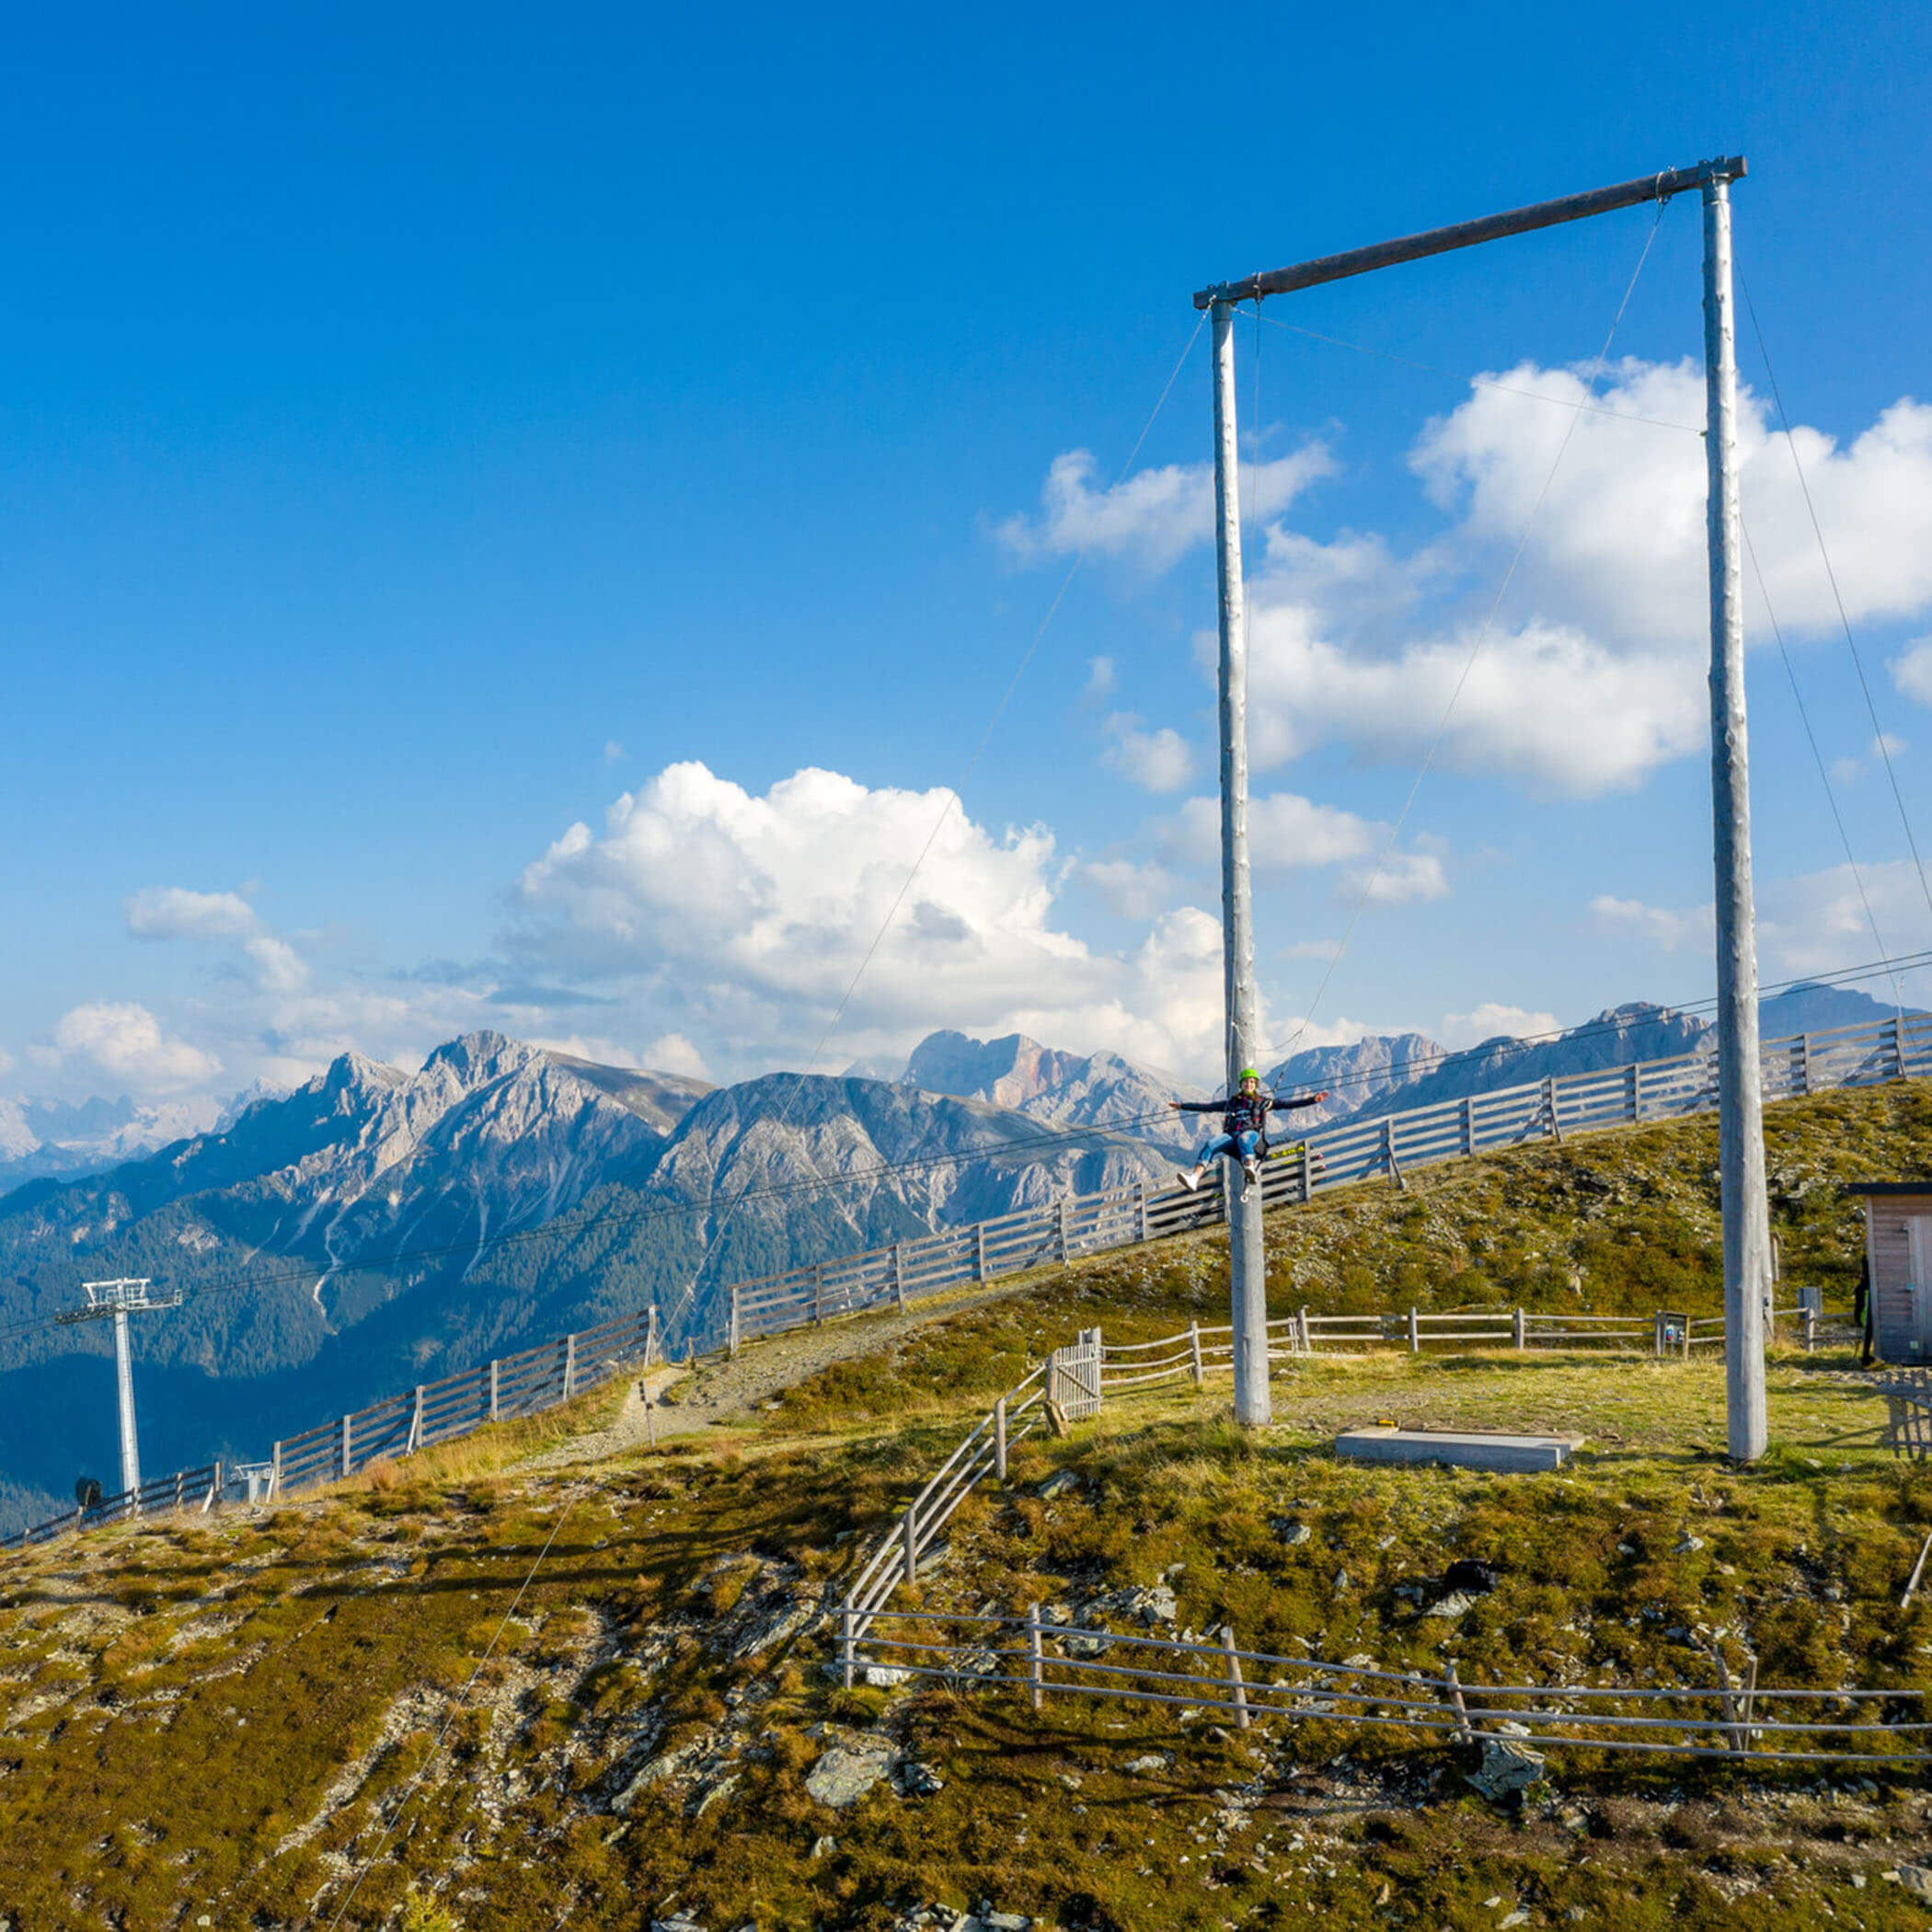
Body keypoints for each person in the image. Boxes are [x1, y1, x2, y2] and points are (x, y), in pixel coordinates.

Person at [1170, 1070, 1329, 1197]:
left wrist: (1312, 1100)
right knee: (1211, 1144)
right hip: (1232, 1138)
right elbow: (1207, 1107)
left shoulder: (1263, 1103)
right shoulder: (1231, 1103)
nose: (1249, 1084)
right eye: (1246, 1082)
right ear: (1242, 1084)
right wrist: (1183, 1106)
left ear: (1256, 1085)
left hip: (1253, 1137)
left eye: (1252, 1082)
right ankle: (1195, 1178)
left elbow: (1287, 1104)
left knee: (1244, 1138)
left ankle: (1250, 1167)